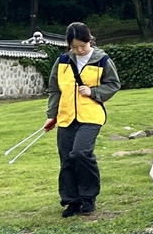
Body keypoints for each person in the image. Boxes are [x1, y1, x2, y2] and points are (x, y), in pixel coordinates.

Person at [45, 22, 121, 217]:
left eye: (83, 46)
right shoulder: (62, 61)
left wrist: (93, 91)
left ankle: (88, 197)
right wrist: (51, 115)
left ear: (90, 40)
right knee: (66, 159)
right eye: (74, 47)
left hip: (91, 115)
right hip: (66, 116)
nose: (79, 50)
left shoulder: (102, 59)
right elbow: (54, 89)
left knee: (80, 153)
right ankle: (71, 201)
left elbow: (113, 84)